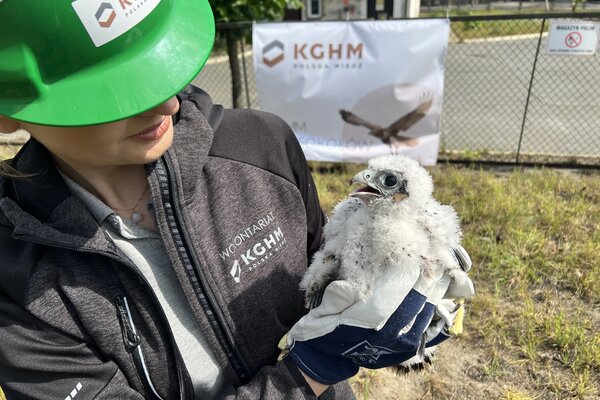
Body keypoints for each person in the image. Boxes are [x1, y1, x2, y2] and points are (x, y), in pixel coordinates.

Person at [0, 1, 472, 399]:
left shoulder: (260, 147)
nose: (167, 104)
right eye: (114, 94)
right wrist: (309, 371)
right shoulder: (14, 275)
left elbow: (330, 279)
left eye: (162, 68)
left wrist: (399, 288)